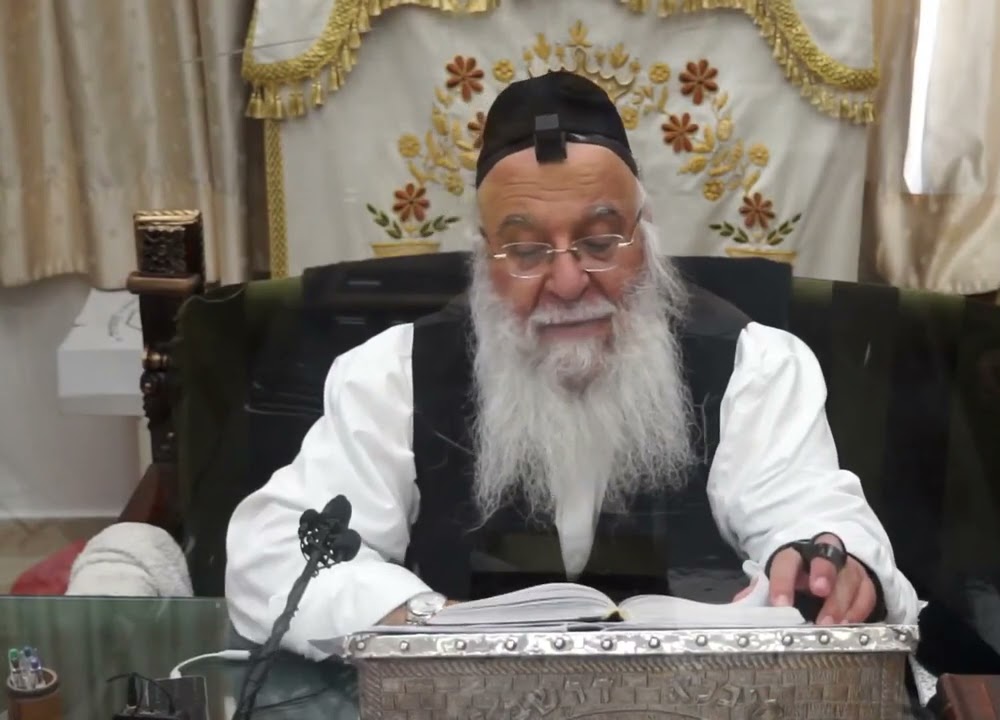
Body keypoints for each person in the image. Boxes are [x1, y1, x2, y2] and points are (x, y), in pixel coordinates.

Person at [225, 71, 918, 658]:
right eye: (527, 252)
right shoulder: (393, 376)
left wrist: (828, 561)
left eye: (601, 242)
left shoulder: (753, 364)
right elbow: (274, 559)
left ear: (646, 237)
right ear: (483, 258)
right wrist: (425, 624)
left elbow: (813, 510)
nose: (566, 283)